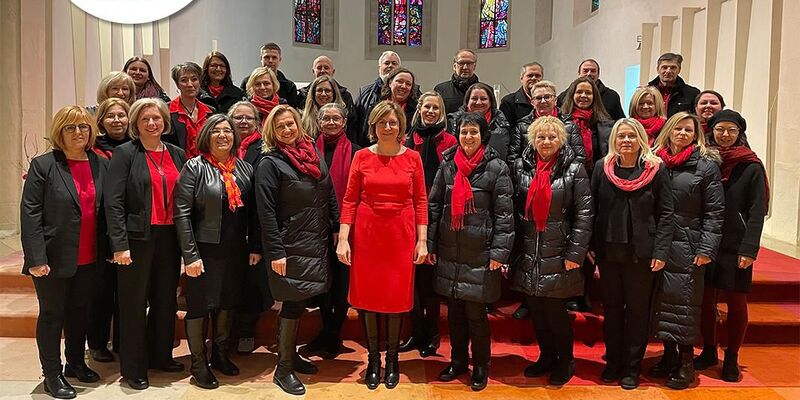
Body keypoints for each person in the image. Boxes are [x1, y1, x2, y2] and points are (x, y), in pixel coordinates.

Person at [337, 101, 428, 390]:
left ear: (401, 126)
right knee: (368, 299)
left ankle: (393, 360)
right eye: (381, 123)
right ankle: (374, 361)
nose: (387, 127)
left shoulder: (413, 158)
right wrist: (343, 238)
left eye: (392, 122)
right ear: (373, 126)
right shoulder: (361, 156)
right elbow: (350, 199)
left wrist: (422, 240)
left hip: (401, 235)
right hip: (367, 235)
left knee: (396, 299)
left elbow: (421, 201)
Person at [21, 105, 109, 399]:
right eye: (71, 127)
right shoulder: (44, 165)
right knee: (52, 315)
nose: (78, 132)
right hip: (53, 257)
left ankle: (75, 363)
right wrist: (36, 258)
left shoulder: (100, 164)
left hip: (90, 255)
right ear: (60, 131)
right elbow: (30, 213)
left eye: (83, 126)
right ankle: (52, 374)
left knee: (80, 312)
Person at [428, 112, 515, 391]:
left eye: (473, 132)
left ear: (483, 136)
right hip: (450, 249)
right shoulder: (447, 164)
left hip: (480, 252)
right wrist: (430, 244)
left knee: (476, 316)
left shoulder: (497, 168)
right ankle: (457, 361)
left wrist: (499, 253)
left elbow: (505, 216)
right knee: (454, 314)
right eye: (464, 132)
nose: (468, 137)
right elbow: (434, 206)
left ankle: (480, 365)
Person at [254, 105, 338, 395]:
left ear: (299, 124)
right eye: (280, 127)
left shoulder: (312, 154)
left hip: (315, 241)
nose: (287, 130)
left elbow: (329, 191)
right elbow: (265, 213)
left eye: (290, 124)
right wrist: (276, 251)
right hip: (288, 244)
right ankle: (283, 369)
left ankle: (290, 356)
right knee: (291, 302)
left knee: (300, 302)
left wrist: (336, 226)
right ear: (272, 132)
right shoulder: (269, 163)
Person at [105, 98, 187, 390]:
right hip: (136, 238)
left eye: (156, 118)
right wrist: (119, 244)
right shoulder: (125, 153)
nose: (152, 124)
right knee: (133, 303)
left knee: (165, 300)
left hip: (170, 237)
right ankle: (134, 368)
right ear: (135, 125)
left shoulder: (177, 154)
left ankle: (161, 356)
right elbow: (113, 202)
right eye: (145, 120)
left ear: (165, 122)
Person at [174, 114, 259, 389]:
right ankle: (199, 364)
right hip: (203, 250)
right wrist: (190, 255)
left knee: (227, 302)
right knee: (199, 306)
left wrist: (255, 246)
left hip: (234, 249)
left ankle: (220, 354)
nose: (223, 136)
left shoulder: (245, 169)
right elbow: (182, 214)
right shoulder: (194, 167)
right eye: (216, 131)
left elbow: (253, 213)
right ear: (206, 136)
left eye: (228, 131)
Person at [591, 118, 674, 389]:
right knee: (612, 310)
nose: (626, 140)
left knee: (638, 312)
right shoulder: (602, 168)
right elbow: (592, 209)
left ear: (641, 139)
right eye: (621, 136)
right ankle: (613, 362)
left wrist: (661, 251)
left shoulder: (656, 169)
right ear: (614, 140)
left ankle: (632, 367)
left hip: (642, 253)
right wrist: (590, 246)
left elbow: (666, 213)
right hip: (609, 251)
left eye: (631, 136)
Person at [511, 116, 593, 386]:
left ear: (561, 140)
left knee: (556, 312)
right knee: (537, 310)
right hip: (529, 250)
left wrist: (575, 253)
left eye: (552, 137)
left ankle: (565, 360)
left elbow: (584, 214)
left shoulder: (574, 169)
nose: (546, 142)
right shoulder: (521, 167)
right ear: (532, 139)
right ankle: (546, 357)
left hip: (559, 250)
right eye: (541, 137)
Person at [648, 111, 724, 390]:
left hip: (689, 244)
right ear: (668, 130)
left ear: (696, 135)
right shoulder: (655, 162)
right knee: (662, 303)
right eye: (678, 128)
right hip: (659, 243)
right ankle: (668, 355)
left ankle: (686, 363)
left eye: (688, 130)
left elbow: (715, 211)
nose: (682, 133)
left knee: (685, 305)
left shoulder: (705, 166)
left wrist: (706, 247)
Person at [695, 110, 768, 382]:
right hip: (706, 241)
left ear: (740, 133)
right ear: (711, 131)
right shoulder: (704, 160)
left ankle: (732, 357)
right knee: (705, 301)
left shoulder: (751, 166)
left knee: (736, 302)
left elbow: (757, 210)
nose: (725, 135)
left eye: (731, 130)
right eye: (720, 129)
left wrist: (749, 248)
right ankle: (709, 350)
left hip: (736, 244)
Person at [398, 92, 457, 358]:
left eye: (436, 107)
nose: (431, 111)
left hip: (438, 215)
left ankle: (432, 335)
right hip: (408, 214)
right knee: (412, 280)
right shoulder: (407, 140)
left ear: (441, 111)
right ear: (419, 109)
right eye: (426, 107)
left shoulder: (450, 141)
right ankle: (416, 332)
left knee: (430, 280)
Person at [304, 103, 361, 359]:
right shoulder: (307, 151)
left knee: (341, 282)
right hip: (316, 225)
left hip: (347, 227)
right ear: (319, 122)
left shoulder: (357, 152)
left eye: (336, 118)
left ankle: (333, 333)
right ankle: (326, 331)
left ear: (344, 122)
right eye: (325, 118)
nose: (330, 122)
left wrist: (342, 224)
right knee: (323, 282)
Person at [226, 101, 274, 354]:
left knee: (252, 283)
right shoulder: (221, 145)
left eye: (249, 118)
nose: (243, 122)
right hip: (226, 228)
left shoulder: (266, 149)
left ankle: (246, 330)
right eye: (238, 118)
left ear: (258, 122)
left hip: (255, 224)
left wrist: (256, 241)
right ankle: (225, 334)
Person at [87, 98, 129, 363]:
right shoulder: (93, 150)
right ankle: (97, 342)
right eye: (110, 116)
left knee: (127, 291)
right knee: (102, 291)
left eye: (121, 115)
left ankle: (124, 341)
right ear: (101, 121)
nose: (117, 120)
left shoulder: (136, 147)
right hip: (101, 228)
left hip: (130, 228)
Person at [511, 80, 586, 166]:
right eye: (538, 98)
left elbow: (579, 157)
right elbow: (513, 158)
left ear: (555, 100)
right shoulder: (521, 126)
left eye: (547, 97)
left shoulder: (570, 125)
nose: (543, 101)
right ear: (532, 102)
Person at [354, 51, 420, 144]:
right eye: (387, 63)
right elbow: (358, 127)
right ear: (390, 83)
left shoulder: (417, 103)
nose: (390, 66)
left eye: (394, 63)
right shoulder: (368, 96)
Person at [447, 82, 512, 163]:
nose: (478, 102)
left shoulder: (502, 125)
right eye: (474, 98)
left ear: (491, 102)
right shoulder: (453, 122)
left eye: (483, 99)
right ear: (467, 102)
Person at [165, 62, 214, 158]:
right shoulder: (166, 111)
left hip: (206, 163)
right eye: (184, 80)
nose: (190, 84)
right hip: (177, 163)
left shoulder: (210, 111)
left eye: (194, 79)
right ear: (177, 85)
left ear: (199, 82)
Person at [557, 59, 625, 120]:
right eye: (585, 71)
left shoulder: (611, 96)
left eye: (593, 71)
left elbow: (620, 122)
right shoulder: (563, 97)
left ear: (598, 74)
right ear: (579, 73)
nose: (589, 74)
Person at [239, 42, 300, 108]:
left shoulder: (289, 86)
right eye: (267, 57)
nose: (270, 61)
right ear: (261, 59)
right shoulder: (247, 82)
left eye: (274, 57)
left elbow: (292, 110)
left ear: (279, 60)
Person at [647, 53, 701, 117]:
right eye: (664, 67)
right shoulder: (646, 92)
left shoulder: (692, 93)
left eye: (673, 68)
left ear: (679, 70)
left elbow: (696, 118)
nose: (668, 71)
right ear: (658, 69)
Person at [434, 49, 481, 115]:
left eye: (469, 63)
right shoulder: (441, 89)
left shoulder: (486, 91)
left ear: (474, 66)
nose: (465, 67)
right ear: (454, 66)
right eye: (461, 63)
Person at [500, 62, 544, 127]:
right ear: (521, 79)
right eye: (530, 75)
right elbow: (506, 130)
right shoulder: (508, 102)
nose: (534, 78)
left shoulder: (550, 101)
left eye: (537, 76)